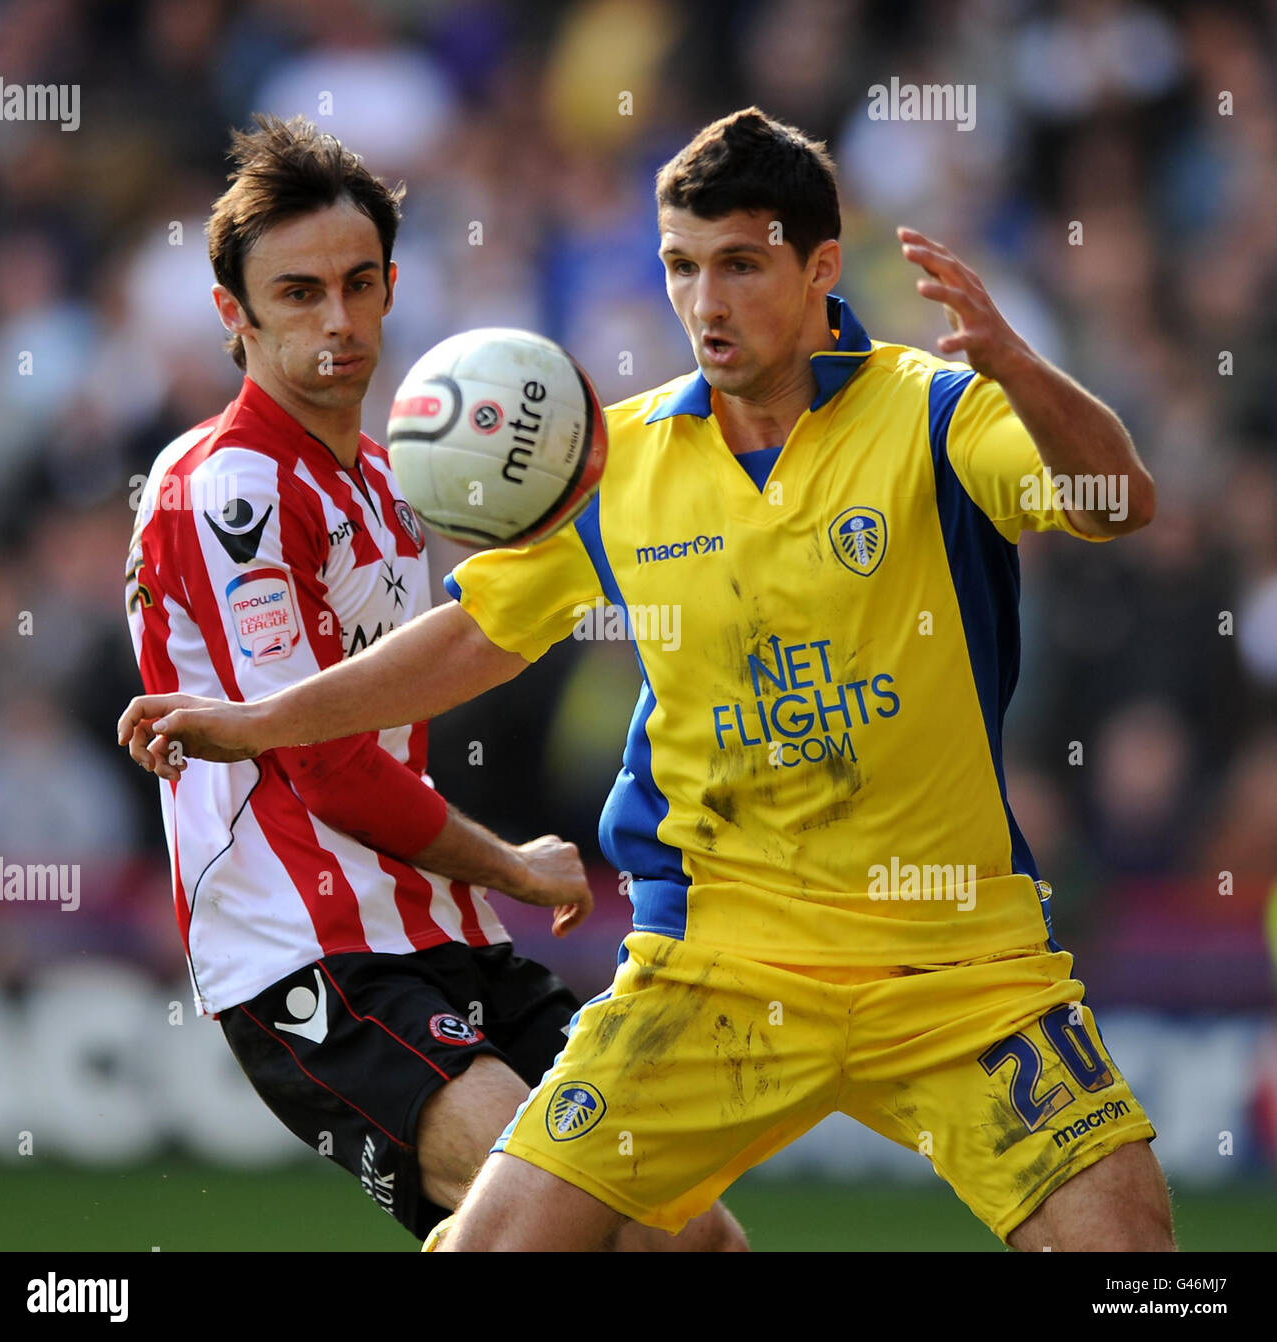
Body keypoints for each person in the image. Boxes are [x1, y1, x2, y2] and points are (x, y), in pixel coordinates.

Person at [120, 107, 1172, 1252]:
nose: (705, 304)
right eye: (680, 266)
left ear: (821, 266)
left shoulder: (936, 412)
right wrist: (259, 720)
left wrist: (1020, 370)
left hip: (959, 961)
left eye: (739, 265)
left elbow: (1117, 504)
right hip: (716, 963)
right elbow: (471, 639)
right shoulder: (622, 460)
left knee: (1127, 1263)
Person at [122, 113, 743, 1252]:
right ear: (233, 314)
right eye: (300, 293)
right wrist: (510, 860)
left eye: (360, 285)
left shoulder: (386, 480)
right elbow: (321, 763)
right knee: (550, 1221)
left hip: (436, 930)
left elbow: (466, 652)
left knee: (690, 1239)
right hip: (310, 951)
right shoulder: (228, 490)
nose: (339, 321)